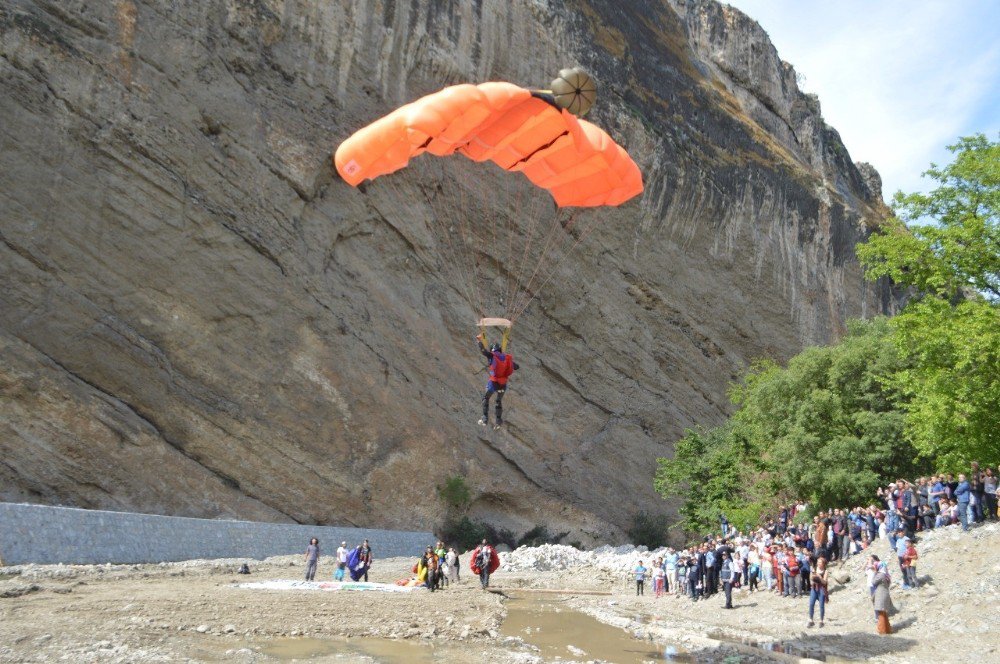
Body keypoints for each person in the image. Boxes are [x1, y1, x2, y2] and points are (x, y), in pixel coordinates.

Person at [476, 338, 519, 429]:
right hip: (503, 385)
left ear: (492, 349)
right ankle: (498, 421)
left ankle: (484, 419)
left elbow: (484, 352)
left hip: (494, 382)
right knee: (498, 401)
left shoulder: (492, 355)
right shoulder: (507, 358)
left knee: (486, 398)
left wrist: (480, 342)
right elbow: (516, 367)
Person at [869, 556, 894, 635]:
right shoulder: (885, 575)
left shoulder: (880, 575)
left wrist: (874, 572)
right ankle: (887, 629)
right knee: (883, 613)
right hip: (884, 594)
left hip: (880, 595)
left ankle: (882, 630)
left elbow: (873, 582)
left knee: (881, 613)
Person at [808, 557, 829, 628]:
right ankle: (811, 620)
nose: (818, 563)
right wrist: (812, 581)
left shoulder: (825, 571)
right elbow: (810, 579)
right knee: (811, 604)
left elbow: (825, 582)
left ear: (823, 564)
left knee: (821, 605)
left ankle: (821, 620)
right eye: (818, 562)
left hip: (821, 589)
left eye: (820, 562)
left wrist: (819, 577)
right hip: (814, 588)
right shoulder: (813, 569)